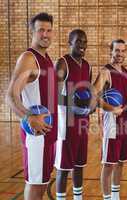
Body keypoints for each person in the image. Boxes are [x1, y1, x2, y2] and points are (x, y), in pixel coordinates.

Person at [6, 13, 57, 200]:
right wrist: (29, 117)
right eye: (41, 30)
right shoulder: (28, 58)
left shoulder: (47, 59)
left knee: (42, 183)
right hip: (37, 137)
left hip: (48, 134)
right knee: (35, 186)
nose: (45, 34)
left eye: (49, 30)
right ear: (32, 32)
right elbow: (10, 95)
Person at [93, 39, 127, 200]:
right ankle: (107, 198)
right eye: (117, 50)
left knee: (120, 161)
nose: (120, 54)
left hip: (125, 122)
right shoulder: (105, 72)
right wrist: (111, 109)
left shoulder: (125, 71)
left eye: (123, 51)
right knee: (109, 163)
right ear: (110, 51)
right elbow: (93, 96)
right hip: (111, 124)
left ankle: (115, 196)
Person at [54, 29, 94, 200]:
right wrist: (74, 101)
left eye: (84, 42)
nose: (82, 45)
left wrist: (91, 104)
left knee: (79, 164)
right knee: (63, 167)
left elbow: (89, 92)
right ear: (70, 42)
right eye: (78, 41)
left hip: (82, 121)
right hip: (66, 122)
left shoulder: (87, 65)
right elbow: (53, 95)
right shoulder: (62, 63)